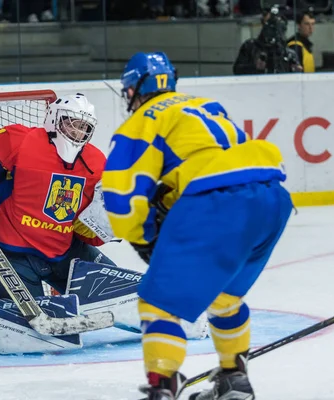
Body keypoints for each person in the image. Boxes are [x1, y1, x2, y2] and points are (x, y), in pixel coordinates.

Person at [102, 52, 293, 399]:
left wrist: (144, 240)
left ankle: (162, 387)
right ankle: (235, 380)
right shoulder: (206, 105)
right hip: (272, 197)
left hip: (218, 203)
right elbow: (212, 162)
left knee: (158, 302)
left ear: (136, 87)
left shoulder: (143, 120)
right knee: (225, 296)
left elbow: (121, 195)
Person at [0, 94, 116, 299]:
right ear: (55, 119)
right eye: (73, 124)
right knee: (31, 323)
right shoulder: (22, 140)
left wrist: (104, 224)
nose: (78, 131)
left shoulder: (95, 161)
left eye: (84, 127)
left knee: (113, 293)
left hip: (60, 250)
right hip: (8, 250)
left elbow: (88, 223)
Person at [233, 6, 302, 74]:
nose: (273, 29)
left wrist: (295, 71)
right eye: (270, 24)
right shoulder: (250, 47)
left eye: (277, 25)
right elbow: (237, 71)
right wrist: (255, 68)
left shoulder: (288, 53)